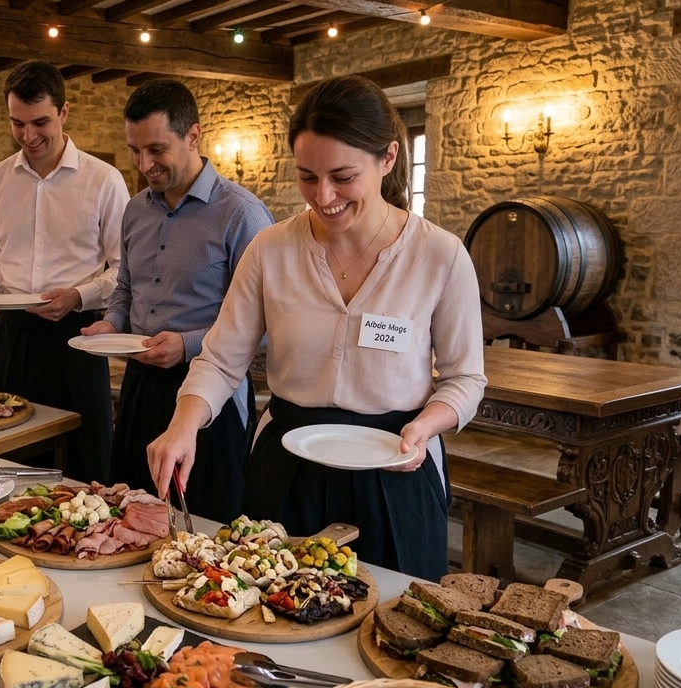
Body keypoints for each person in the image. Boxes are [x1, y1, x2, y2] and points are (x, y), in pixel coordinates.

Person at [147, 75, 486, 581]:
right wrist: (183, 425)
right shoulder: (271, 250)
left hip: (396, 461)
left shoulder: (439, 254)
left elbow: (465, 380)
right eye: (308, 176)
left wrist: (426, 427)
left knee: (394, 626)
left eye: (342, 176)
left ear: (388, 158)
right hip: (288, 461)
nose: (323, 197)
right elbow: (220, 360)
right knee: (271, 611)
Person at [80, 79, 273, 520]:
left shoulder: (242, 215)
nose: (145, 163)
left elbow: (263, 326)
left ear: (193, 136)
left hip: (212, 396)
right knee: (126, 515)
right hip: (138, 386)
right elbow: (126, 288)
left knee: (202, 525)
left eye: (157, 149)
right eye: (135, 150)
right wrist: (113, 323)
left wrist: (186, 345)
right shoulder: (135, 210)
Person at [0, 61, 129, 484]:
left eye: (40, 122)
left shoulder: (104, 181)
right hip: (11, 336)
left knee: (84, 465)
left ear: (64, 112)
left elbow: (123, 270)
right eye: (17, 124)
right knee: (4, 463)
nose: (28, 136)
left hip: (77, 338)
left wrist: (79, 296)